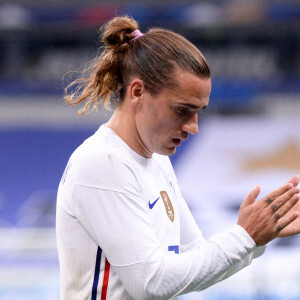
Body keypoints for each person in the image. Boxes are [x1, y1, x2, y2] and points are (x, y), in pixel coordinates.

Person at [56, 16, 300, 300]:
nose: (193, 126)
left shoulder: (157, 159)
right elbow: (151, 284)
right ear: (137, 92)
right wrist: (244, 237)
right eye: (182, 110)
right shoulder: (102, 164)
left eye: (199, 111)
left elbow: (195, 258)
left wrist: (255, 238)